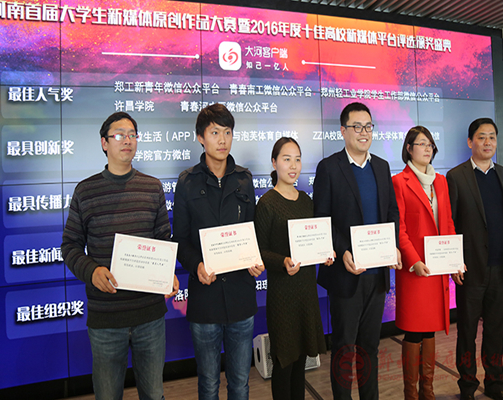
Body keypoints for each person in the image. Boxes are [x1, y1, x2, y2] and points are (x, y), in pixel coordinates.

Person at [61, 111, 179, 400]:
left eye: (132, 135)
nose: (127, 140)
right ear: (104, 143)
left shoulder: (152, 187)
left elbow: (163, 239)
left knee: (154, 394)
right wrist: (92, 271)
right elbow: (70, 245)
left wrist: (168, 273)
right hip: (106, 318)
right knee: (107, 395)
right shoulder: (86, 191)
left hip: (149, 315)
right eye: (119, 135)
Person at [172, 103, 264, 400]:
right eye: (215, 133)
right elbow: (180, 239)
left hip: (241, 297)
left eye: (227, 132)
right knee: (209, 384)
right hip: (205, 299)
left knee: (240, 383)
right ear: (201, 137)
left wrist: (256, 259)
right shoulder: (187, 182)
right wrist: (196, 265)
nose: (222, 140)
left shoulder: (244, 179)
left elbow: (252, 231)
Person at [313, 102, 402, 400]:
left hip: (377, 274)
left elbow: (391, 211)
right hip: (346, 274)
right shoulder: (329, 167)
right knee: (344, 347)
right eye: (357, 127)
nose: (364, 132)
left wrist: (393, 246)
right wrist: (343, 251)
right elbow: (322, 219)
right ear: (343, 131)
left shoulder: (382, 166)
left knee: (370, 347)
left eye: (368, 126)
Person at [447, 118, 503, 400]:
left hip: (501, 267)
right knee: (467, 332)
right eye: (481, 137)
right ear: (470, 142)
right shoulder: (456, 176)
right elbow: (451, 224)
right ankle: (467, 386)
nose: (487, 142)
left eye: (492, 137)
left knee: (495, 331)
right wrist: (454, 262)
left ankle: (495, 385)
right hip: (471, 269)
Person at [255, 138, 331, 400]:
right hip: (282, 295)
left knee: (300, 361)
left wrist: (325, 253)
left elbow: (315, 239)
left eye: (297, 159)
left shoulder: (306, 200)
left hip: (305, 292)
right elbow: (260, 250)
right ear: (274, 163)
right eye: (286, 159)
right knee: (284, 361)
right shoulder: (267, 203)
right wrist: (282, 261)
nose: (293, 165)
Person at [392, 126, 457, 400]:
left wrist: (454, 260)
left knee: (430, 329)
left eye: (430, 144)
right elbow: (400, 229)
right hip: (415, 271)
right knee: (414, 331)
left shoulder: (440, 181)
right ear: (409, 148)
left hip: (438, 268)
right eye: (421, 144)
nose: (427, 148)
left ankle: (427, 391)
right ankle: (411, 393)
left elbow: (448, 223)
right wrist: (414, 261)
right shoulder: (399, 182)